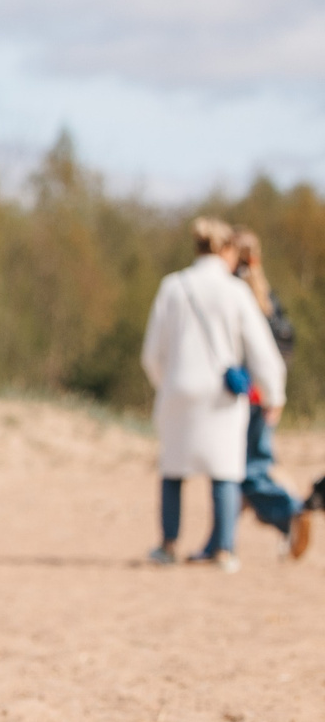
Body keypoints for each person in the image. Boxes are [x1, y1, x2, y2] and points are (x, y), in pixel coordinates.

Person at [141, 218, 284, 572]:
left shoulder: (172, 286)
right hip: (222, 395)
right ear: (226, 250)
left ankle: (168, 545)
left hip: (178, 388)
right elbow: (261, 349)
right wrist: (273, 393)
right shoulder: (234, 291)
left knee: (173, 469)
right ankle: (223, 550)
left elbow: (151, 353)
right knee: (225, 471)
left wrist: (167, 382)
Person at [231, 228, 304, 557]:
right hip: (266, 395)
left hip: (247, 394)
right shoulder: (266, 295)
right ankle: (223, 541)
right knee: (247, 468)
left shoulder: (236, 292)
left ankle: (291, 511)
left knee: (245, 470)